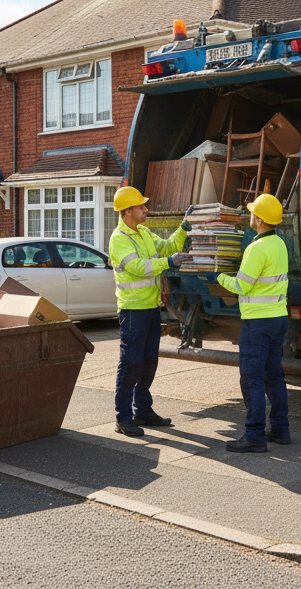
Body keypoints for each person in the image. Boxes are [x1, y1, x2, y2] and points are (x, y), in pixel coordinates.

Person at [109, 185, 190, 437]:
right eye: (141, 206)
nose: (146, 209)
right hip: (132, 312)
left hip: (151, 308)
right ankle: (123, 418)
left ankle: (142, 410)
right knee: (131, 364)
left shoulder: (143, 232)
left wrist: (184, 228)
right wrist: (168, 262)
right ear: (127, 211)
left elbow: (166, 247)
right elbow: (138, 267)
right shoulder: (119, 239)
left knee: (148, 363)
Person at [215, 194, 291, 452]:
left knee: (251, 379)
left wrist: (220, 277)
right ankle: (280, 430)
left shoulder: (256, 248)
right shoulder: (280, 244)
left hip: (257, 322)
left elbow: (241, 285)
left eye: (252, 213)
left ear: (258, 219)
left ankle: (255, 435)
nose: (250, 216)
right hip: (278, 318)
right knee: (274, 375)